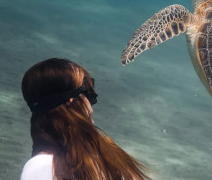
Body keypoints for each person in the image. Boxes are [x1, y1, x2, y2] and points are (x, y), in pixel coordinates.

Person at [21, 58, 151, 180]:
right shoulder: (42, 167)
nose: (92, 102)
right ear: (70, 102)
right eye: (89, 92)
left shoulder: (95, 153)